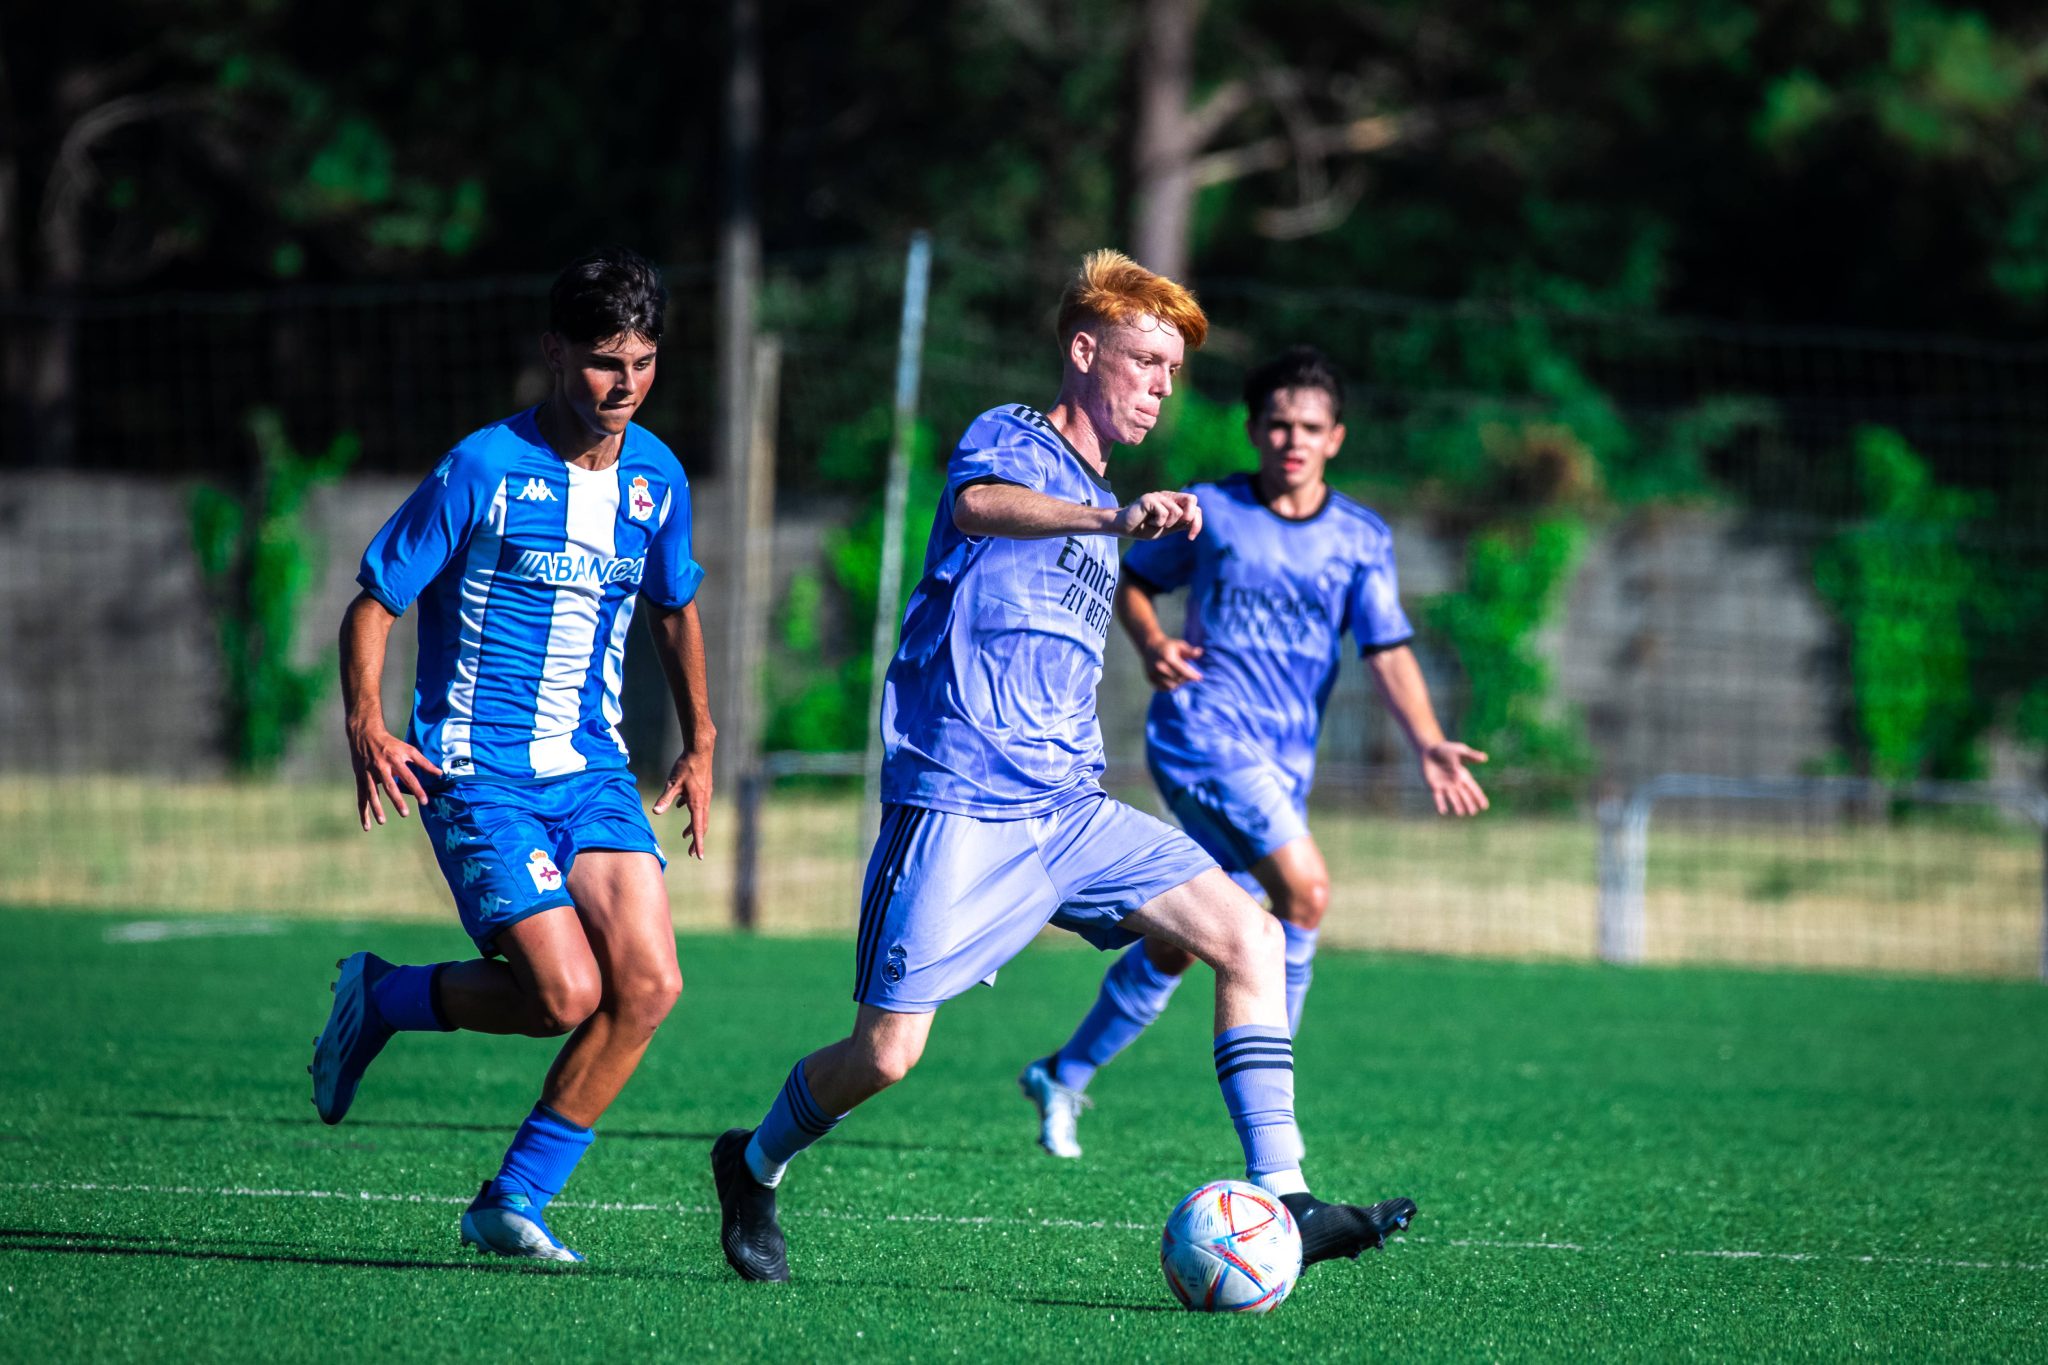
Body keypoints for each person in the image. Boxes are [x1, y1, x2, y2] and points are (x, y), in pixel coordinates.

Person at [709, 252, 1414, 1284]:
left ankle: (1290, 1196)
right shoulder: (1014, 440)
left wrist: (1124, 552)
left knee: (1249, 935)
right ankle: (754, 1163)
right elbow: (979, 510)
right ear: (1084, 353)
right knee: (885, 1058)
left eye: (1172, 371)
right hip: (958, 799)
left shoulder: (1102, 494)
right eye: (1144, 361)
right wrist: (1109, 521)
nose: (1161, 386)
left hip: (1068, 811)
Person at [309, 247, 716, 1264]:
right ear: (552, 353)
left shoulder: (656, 477)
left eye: (642, 361)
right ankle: (387, 996)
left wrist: (703, 738)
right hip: (478, 774)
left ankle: (515, 1198)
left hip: (592, 772)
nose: (622, 385)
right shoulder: (483, 467)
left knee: (651, 988)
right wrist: (365, 722)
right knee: (563, 997)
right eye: (599, 363)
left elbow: (673, 605)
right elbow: (376, 599)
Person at [1018, 344, 1488, 1160]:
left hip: (1282, 764)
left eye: (1309, 427)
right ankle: (1278, 1119)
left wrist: (1429, 740)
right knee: (1304, 892)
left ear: (1335, 438)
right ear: (1254, 430)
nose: (1292, 440)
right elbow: (1133, 579)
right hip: (1201, 736)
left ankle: (1063, 1071)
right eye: (1277, 425)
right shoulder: (1211, 510)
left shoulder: (1360, 537)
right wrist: (1154, 641)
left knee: (1183, 935)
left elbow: (1386, 646)